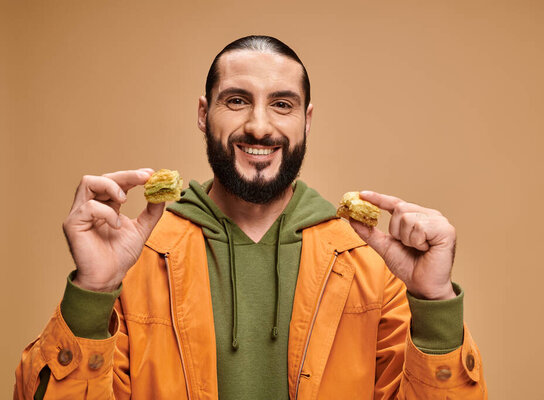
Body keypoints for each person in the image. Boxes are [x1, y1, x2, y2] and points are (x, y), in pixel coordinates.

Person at [14, 35, 487, 399]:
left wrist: (435, 302)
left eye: (282, 104)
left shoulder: (371, 267)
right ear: (204, 114)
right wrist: (92, 293)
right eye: (236, 100)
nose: (259, 125)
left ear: (306, 120)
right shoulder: (135, 259)